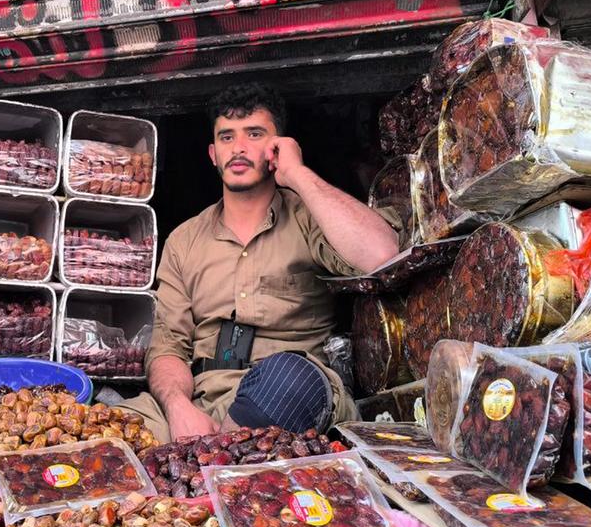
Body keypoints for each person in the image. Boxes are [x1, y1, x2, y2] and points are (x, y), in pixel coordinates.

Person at [117, 83, 402, 443]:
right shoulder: (184, 240)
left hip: (289, 395)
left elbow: (382, 254)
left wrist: (297, 173)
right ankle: (215, 460)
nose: (238, 148)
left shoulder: (308, 216)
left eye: (254, 134)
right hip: (203, 402)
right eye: (226, 137)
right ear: (213, 154)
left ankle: (212, 460)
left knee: (287, 378)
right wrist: (177, 407)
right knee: (107, 427)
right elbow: (169, 346)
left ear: (279, 146)